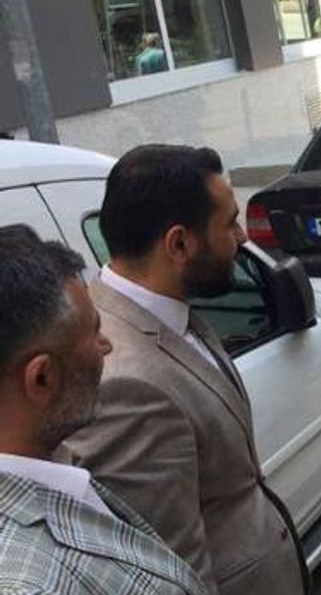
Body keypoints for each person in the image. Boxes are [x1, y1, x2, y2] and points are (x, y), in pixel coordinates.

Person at [59, 145, 308, 595]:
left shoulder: (169, 309)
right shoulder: (124, 380)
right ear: (178, 244)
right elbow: (172, 568)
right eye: (229, 223)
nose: (241, 237)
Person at [0, 225, 209, 595]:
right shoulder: (31, 586)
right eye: (93, 332)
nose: (106, 345)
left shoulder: (52, 464)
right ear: (42, 378)